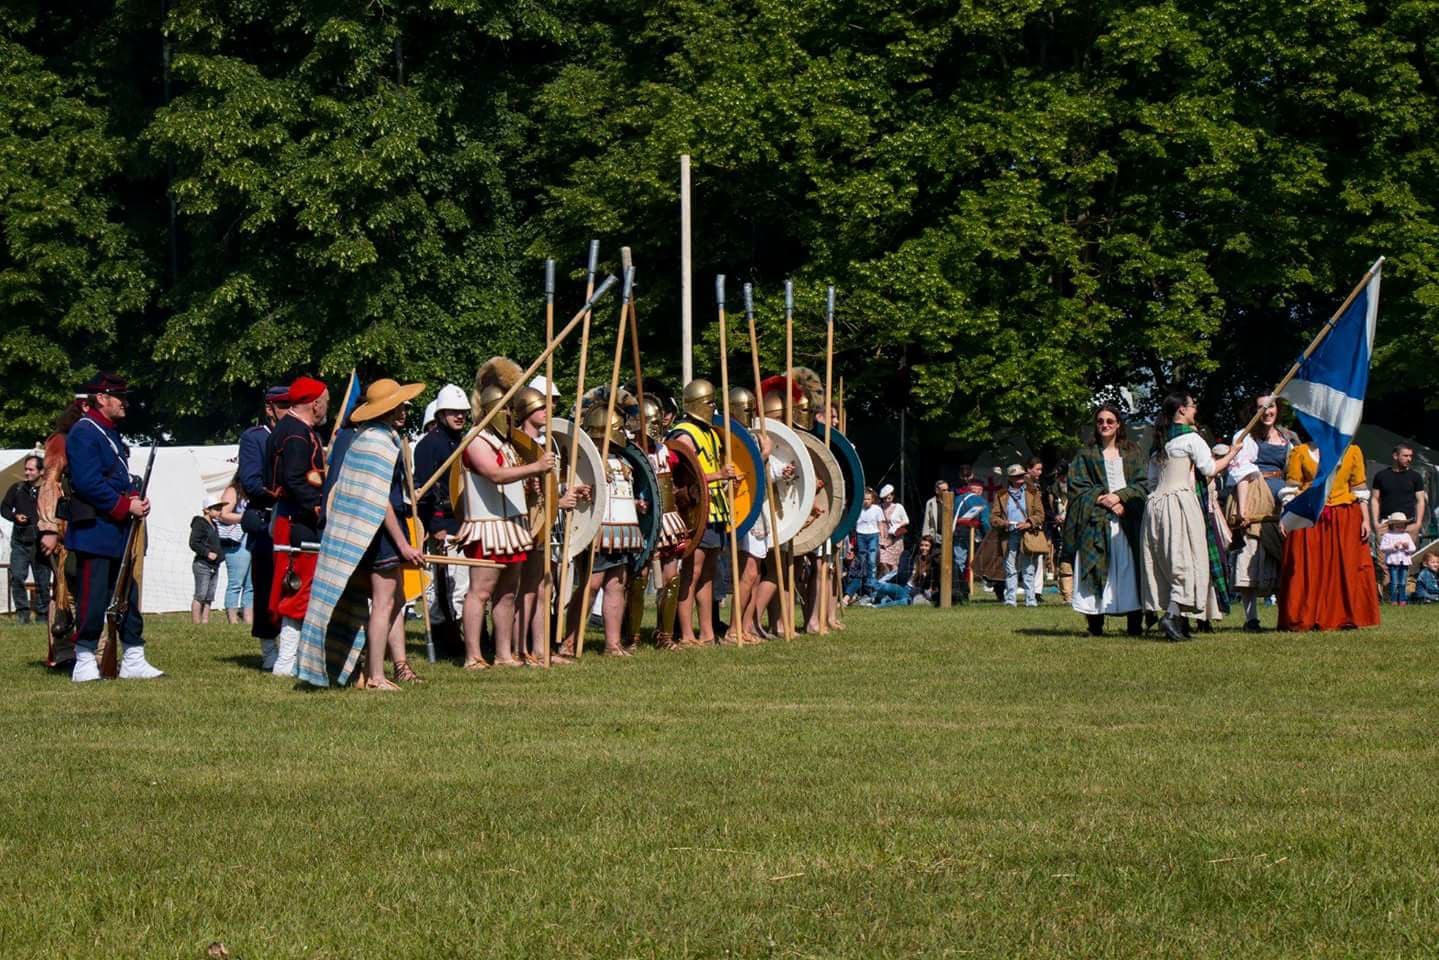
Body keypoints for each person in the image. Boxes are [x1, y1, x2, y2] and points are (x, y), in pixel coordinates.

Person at [297, 378, 427, 690]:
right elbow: (379, 500)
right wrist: (403, 544)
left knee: (389, 601)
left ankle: (374, 671)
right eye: (398, 406)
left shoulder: (366, 438)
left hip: (367, 533)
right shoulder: (379, 442)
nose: (404, 412)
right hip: (377, 534)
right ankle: (375, 676)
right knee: (384, 604)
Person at [63, 373, 162, 682]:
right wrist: (124, 505)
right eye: (118, 396)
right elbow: (87, 482)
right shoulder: (84, 432)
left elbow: (116, 478)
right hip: (95, 528)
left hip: (115, 528)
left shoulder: (108, 432)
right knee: (93, 599)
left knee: (125, 596)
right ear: (102, 398)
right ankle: (84, 659)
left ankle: (133, 654)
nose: (124, 402)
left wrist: (133, 495)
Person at [457, 358, 548, 668]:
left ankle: (504, 654)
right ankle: (473, 656)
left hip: (511, 525)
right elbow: (493, 474)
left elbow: (512, 479)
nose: (510, 414)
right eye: (506, 409)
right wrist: (534, 467)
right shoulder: (475, 440)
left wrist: (531, 485)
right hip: (487, 525)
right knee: (480, 592)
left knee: (508, 593)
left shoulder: (507, 443)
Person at [1141, 391, 1236, 641]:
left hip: (1155, 507)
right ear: (1181, 410)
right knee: (1188, 560)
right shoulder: (1191, 438)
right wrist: (1233, 453)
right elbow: (1209, 468)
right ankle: (1172, 615)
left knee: (1168, 562)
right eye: (1192, 406)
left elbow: (1151, 482)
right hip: (1179, 503)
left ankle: (1180, 624)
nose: (1195, 411)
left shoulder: (1159, 444)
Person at [563, 396, 646, 657]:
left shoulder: (623, 462)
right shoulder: (585, 461)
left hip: (622, 530)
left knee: (616, 585)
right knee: (592, 584)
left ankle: (612, 644)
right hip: (597, 531)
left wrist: (635, 504)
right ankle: (569, 641)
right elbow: (577, 492)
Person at [1278, 434, 1380, 631]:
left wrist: (1366, 519)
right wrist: (1286, 515)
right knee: (1306, 566)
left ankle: (1342, 616)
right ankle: (1304, 616)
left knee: (1344, 565)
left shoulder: (1352, 451)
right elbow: (1292, 489)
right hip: (1308, 515)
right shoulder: (1300, 452)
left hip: (1344, 515)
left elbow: (1359, 488)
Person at [265, 376, 329, 676]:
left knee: (301, 588)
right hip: (297, 521)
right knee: (298, 589)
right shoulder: (295, 434)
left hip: (294, 518)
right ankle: (286, 661)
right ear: (314, 403)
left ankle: (294, 658)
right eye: (325, 400)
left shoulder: (297, 431)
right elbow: (293, 479)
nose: (326, 406)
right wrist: (318, 507)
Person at [1065, 404, 1148, 636]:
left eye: (1110, 421)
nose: (1105, 425)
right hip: (1095, 520)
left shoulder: (1132, 453)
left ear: (1118, 425)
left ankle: (1135, 624)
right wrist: (1102, 498)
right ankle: (1095, 625)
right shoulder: (1086, 455)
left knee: (1130, 570)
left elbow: (1142, 484)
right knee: (1094, 568)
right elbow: (1077, 487)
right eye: (1100, 421)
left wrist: (1120, 499)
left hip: (1127, 521)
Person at [667, 379, 736, 646]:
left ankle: (706, 632)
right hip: (697, 512)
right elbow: (682, 479)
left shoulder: (709, 433)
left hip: (716, 510)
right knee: (691, 573)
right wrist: (718, 475)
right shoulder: (684, 434)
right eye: (709, 402)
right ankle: (686, 633)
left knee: (709, 574)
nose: (713, 406)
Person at [1225, 396, 1296, 631]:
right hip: (1255, 499)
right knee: (1250, 554)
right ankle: (1251, 618)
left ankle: (1285, 616)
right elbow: (1242, 474)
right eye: (1262, 407)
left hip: (1281, 504)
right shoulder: (1245, 436)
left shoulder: (1288, 438)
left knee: (1281, 558)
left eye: (1271, 406)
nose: (1267, 411)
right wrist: (1242, 510)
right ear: (1254, 411)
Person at [414, 383, 470, 656]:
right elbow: (426, 489)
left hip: (463, 520)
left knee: (463, 585)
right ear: (441, 413)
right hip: (443, 522)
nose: (459, 416)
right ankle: (446, 639)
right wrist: (435, 526)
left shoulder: (463, 442)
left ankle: (465, 636)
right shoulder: (428, 445)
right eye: (453, 412)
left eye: (462, 412)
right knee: (447, 586)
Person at [238, 385, 290, 667]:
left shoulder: (299, 435)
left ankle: (291, 648)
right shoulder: (255, 438)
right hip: (267, 521)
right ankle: (269, 648)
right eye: (283, 407)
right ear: (270, 409)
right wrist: (287, 491)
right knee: (266, 589)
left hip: (294, 522)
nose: (289, 412)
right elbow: (252, 482)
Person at [3, 454, 51, 625]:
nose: (27, 472)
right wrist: (15, 517)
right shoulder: (16, 488)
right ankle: (23, 614)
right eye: (26, 469)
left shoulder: (48, 491)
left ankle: (43, 615)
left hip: (41, 541)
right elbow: (4, 508)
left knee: (42, 581)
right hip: (20, 542)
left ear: (41, 471)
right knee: (16, 576)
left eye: (31, 469)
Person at [991, 464, 1045, 607]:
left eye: (1021, 475)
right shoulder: (1001, 495)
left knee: (1028, 569)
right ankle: (1010, 600)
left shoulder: (1033, 493)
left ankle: (1031, 601)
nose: (1020, 478)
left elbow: (1040, 515)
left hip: (1027, 534)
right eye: (1017, 476)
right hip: (1008, 535)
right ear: (1010, 478)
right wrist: (1004, 523)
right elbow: (994, 517)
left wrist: (1028, 523)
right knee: (1010, 569)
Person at [1371, 444, 1427, 540]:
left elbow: (1420, 501)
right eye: (1405, 456)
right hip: (1386, 524)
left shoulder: (1415, 477)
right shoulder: (1381, 476)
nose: (1409, 459)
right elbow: (1375, 499)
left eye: (1410, 456)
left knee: (1410, 554)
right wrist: (1376, 523)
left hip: (1409, 524)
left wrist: (1418, 524)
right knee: (1384, 554)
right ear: (1395, 456)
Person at [216, 477, 251, 624]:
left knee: (251, 585)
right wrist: (246, 517)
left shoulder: (255, 492)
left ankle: (249, 618)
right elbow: (223, 513)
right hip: (237, 544)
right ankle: (232, 619)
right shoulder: (233, 490)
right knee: (235, 583)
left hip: (252, 542)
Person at [951, 478, 990, 602]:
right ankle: (977, 586)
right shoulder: (980, 500)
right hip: (972, 534)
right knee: (978, 561)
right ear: (978, 489)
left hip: (956, 532)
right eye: (981, 489)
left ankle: (959, 586)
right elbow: (984, 521)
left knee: (960, 561)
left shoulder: (957, 499)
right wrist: (987, 536)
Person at [844, 488, 883, 603]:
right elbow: (853, 523)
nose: (866, 501)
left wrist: (881, 537)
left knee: (871, 560)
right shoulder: (858, 509)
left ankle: (871, 585)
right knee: (862, 561)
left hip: (873, 535)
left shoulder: (877, 509)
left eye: (868, 499)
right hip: (861, 535)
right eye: (864, 499)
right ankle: (862, 585)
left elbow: (880, 523)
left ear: (872, 500)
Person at [189, 497, 224, 623]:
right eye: (216, 509)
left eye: (220, 509)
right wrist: (206, 553)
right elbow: (193, 543)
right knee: (200, 594)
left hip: (214, 565)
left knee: (209, 595)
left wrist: (220, 556)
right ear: (206, 510)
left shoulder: (214, 525)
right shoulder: (199, 523)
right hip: (202, 564)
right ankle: (196, 621)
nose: (219, 511)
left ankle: (205, 620)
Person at [1377, 513, 1416, 606]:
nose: (1400, 528)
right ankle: (1394, 600)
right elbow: (1383, 548)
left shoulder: (1406, 535)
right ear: (1392, 525)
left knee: (1403, 582)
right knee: (1394, 582)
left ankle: (1402, 599)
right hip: (1393, 562)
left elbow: (1413, 548)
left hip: (1404, 562)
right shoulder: (1388, 535)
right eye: (1397, 526)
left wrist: (1407, 547)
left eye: (1402, 526)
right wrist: (1393, 547)